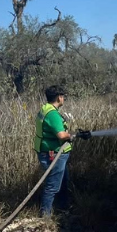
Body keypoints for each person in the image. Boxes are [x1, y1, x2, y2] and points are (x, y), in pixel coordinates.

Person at [33, 85, 74, 216]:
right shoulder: (52, 114)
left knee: (62, 182)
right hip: (53, 153)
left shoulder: (46, 109)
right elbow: (61, 135)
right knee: (53, 185)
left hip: (52, 152)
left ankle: (62, 209)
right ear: (59, 98)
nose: (63, 99)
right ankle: (45, 216)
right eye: (63, 97)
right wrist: (73, 135)